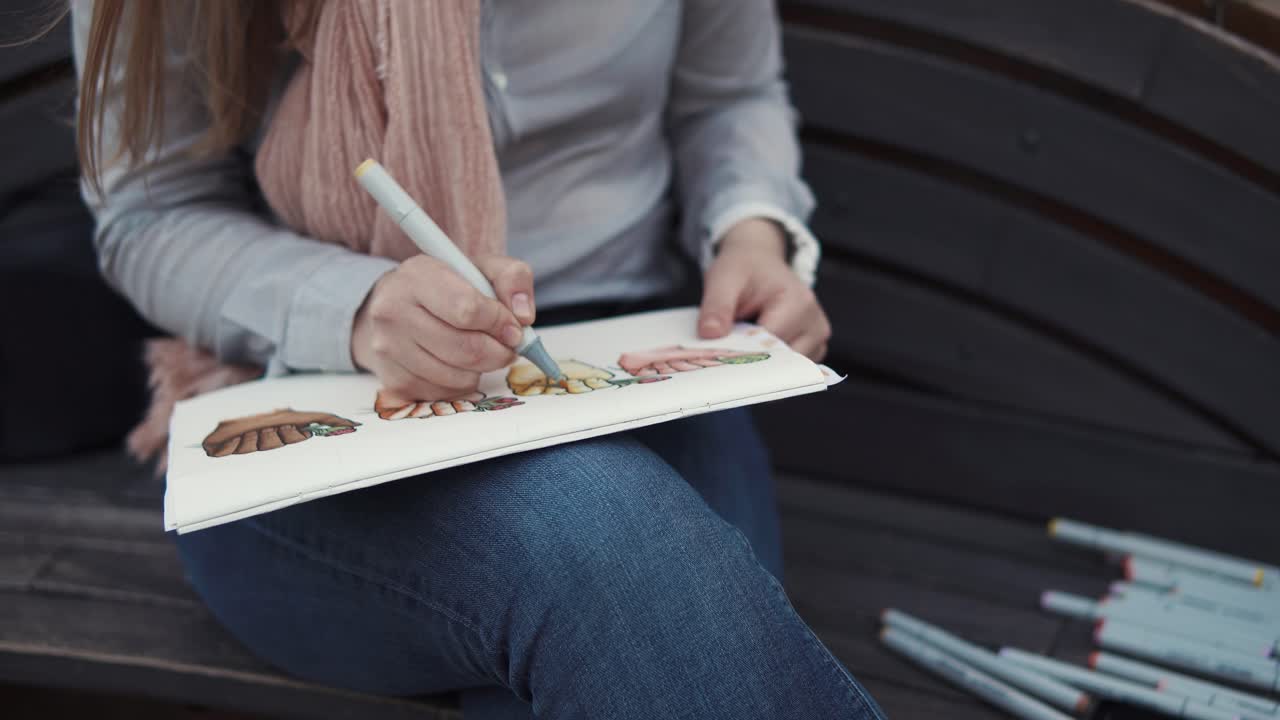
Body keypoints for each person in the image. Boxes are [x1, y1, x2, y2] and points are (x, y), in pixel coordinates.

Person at [71, 1, 884, 717]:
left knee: (640, 644)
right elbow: (151, 214)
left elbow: (728, 95)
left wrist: (750, 229)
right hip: (315, 391)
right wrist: (351, 307)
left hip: (636, 360)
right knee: (620, 564)